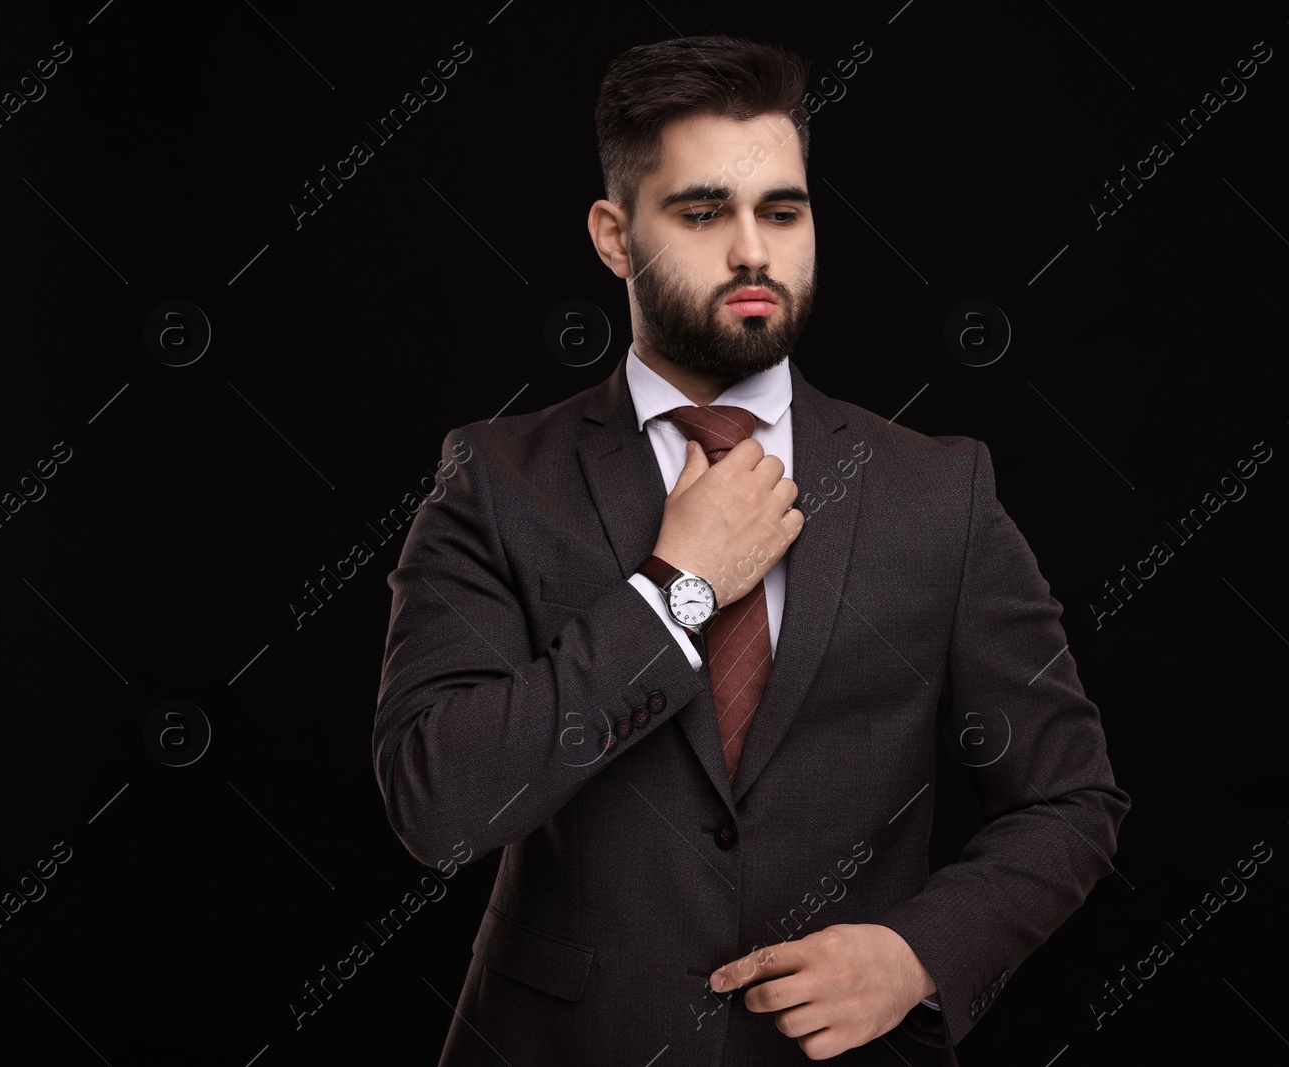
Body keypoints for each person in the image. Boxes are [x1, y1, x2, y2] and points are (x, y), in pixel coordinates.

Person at [373, 33, 1130, 1066]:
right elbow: (440, 804)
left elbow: (1070, 799)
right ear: (612, 234)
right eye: (700, 213)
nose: (752, 251)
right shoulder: (499, 479)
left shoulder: (937, 491)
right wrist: (674, 591)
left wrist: (914, 956)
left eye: (781, 210)